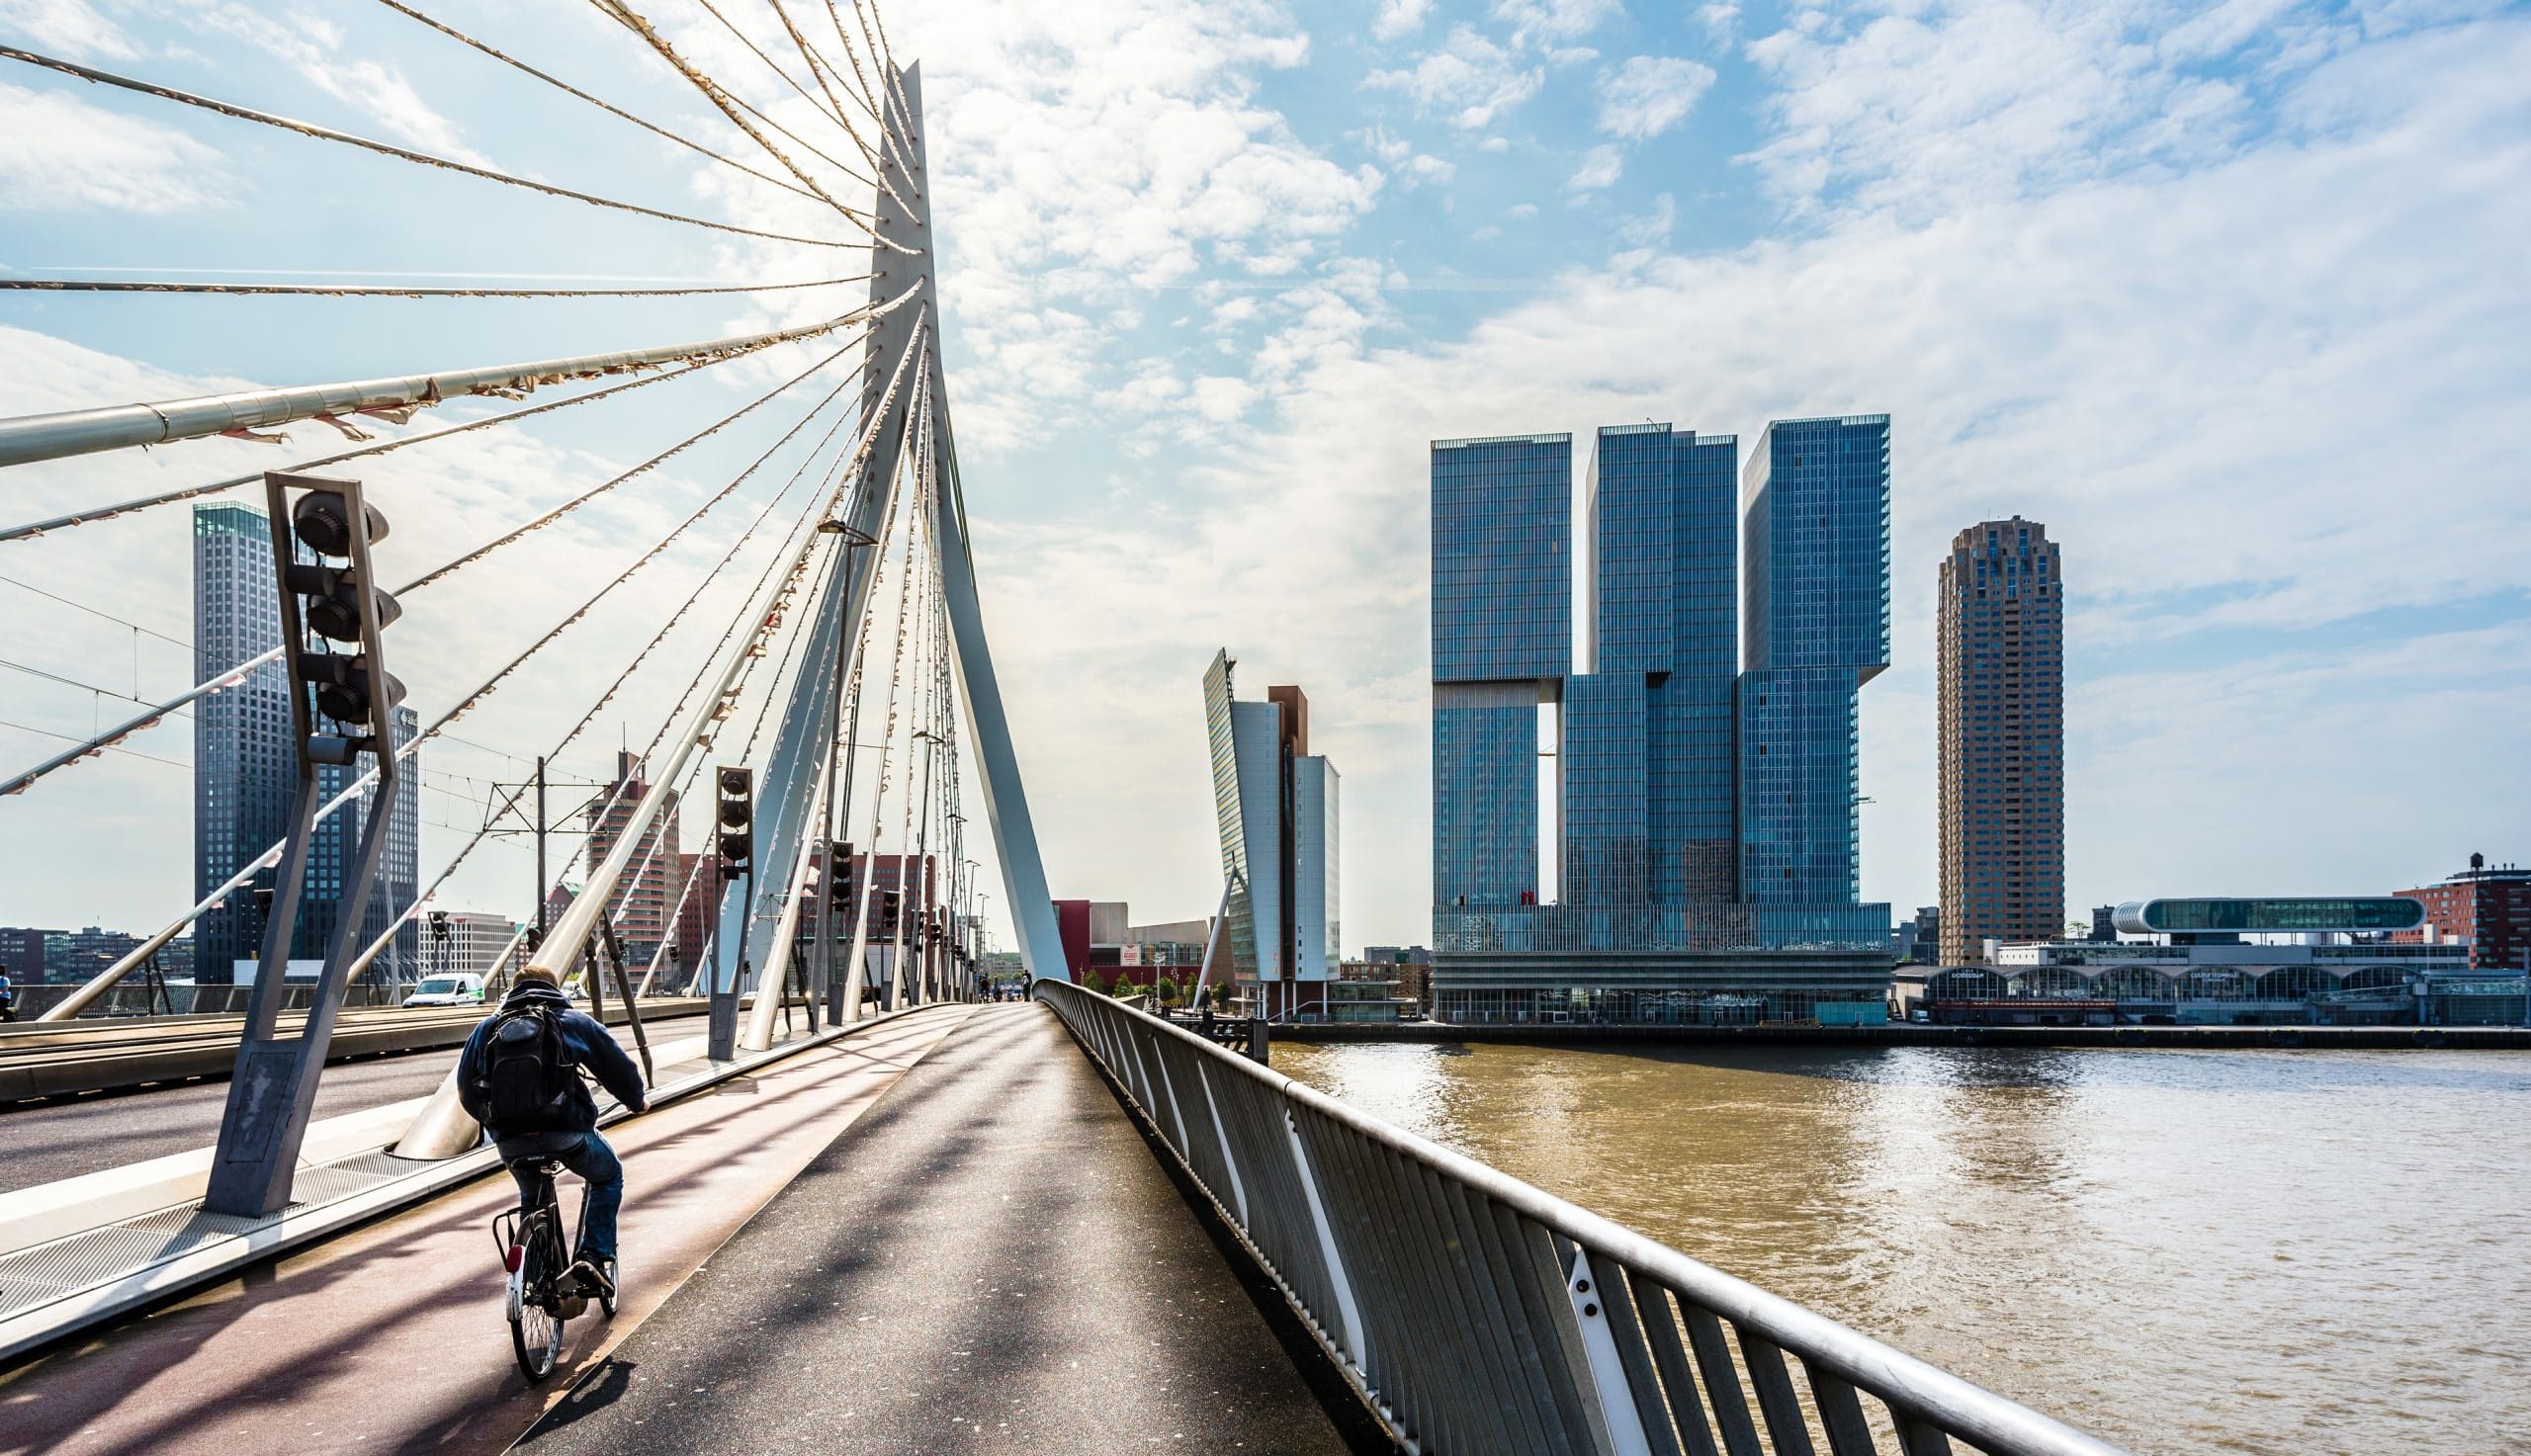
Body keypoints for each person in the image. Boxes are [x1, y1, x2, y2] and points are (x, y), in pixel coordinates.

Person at [456, 965, 647, 1301]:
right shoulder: (570, 1020)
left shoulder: (487, 1028)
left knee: (532, 1197)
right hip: (567, 1133)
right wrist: (636, 1102)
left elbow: (464, 1091)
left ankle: (533, 1275)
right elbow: (619, 1068)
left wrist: (495, 1124)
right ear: (555, 988)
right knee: (607, 1175)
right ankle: (593, 1258)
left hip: (511, 1141)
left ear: (512, 991)